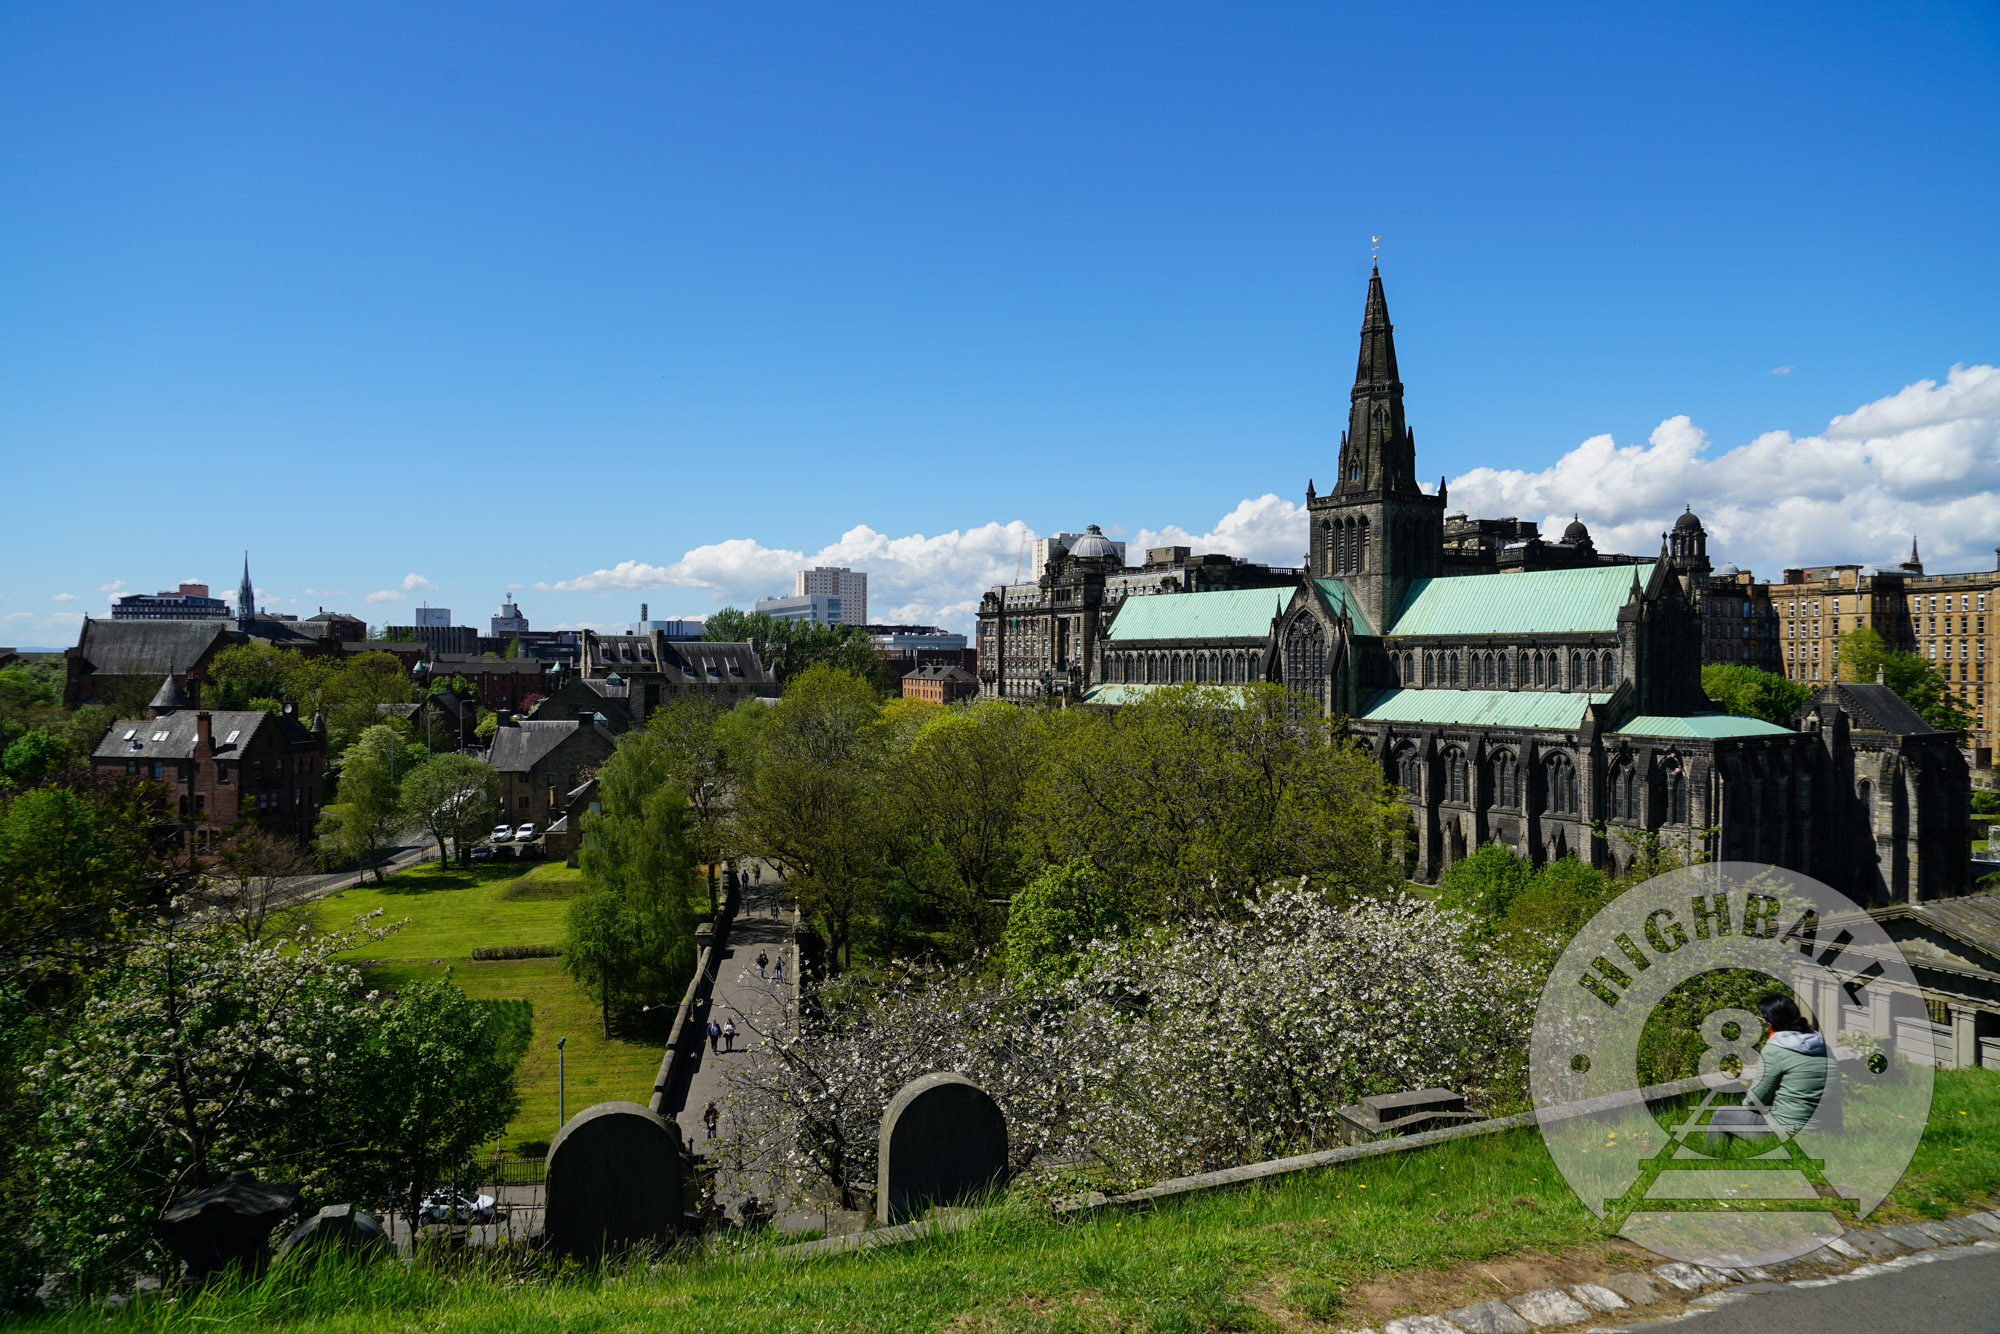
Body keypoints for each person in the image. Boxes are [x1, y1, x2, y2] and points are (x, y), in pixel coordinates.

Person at [1706, 993, 1829, 1147]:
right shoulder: (1822, 1045)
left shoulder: (1775, 1050)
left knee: (1721, 1115)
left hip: (1791, 1133)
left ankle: (1714, 1160)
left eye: (1762, 1020)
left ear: (1769, 1024)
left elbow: (1754, 1101)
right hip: (1830, 1129)